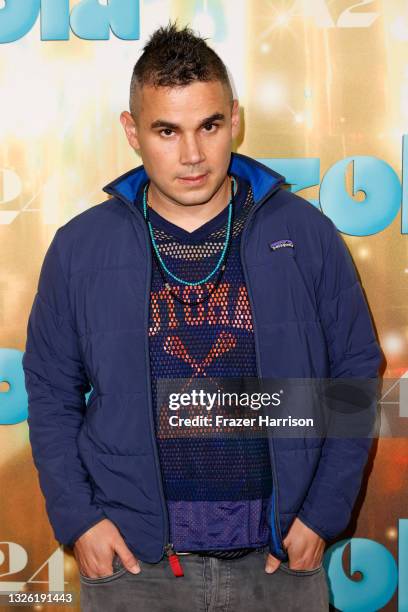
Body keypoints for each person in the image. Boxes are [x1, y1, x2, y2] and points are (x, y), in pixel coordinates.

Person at [22, 21, 382, 612]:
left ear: (235, 119)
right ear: (132, 131)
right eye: (167, 130)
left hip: (281, 562)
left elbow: (355, 372)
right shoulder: (79, 247)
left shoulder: (304, 232)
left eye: (209, 126)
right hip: (134, 568)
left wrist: (321, 514)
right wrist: (80, 520)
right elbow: (51, 391)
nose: (192, 155)